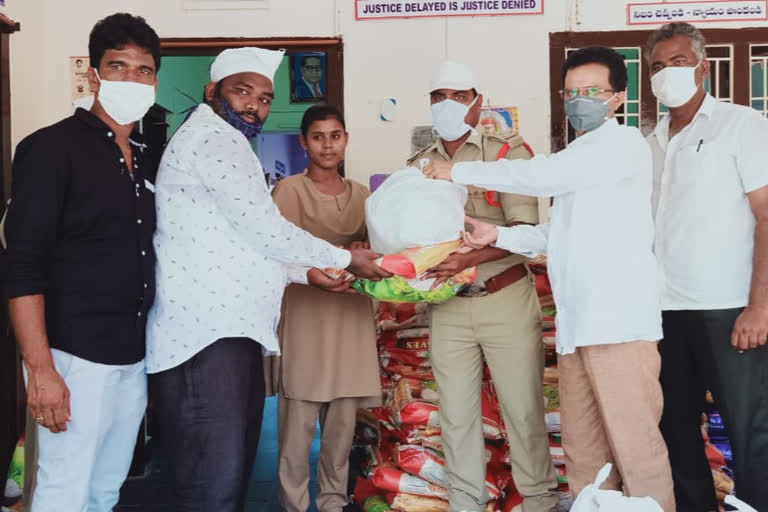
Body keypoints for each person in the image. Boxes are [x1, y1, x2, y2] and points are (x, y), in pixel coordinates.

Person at [424, 47, 675, 511]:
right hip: (578, 326)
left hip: (618, 324)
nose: (580, 101)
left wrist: (455, 169)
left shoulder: (620, 146)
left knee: (636, 449)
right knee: (584, 454)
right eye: (571, 92)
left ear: (618, 98)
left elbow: (542, 175)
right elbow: (556, 233)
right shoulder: (581, 154)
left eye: (592, 91)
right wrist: (496, 232)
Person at [146, 47, 389, 511]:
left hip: (224, 331)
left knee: (223, 474)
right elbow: (266, 230)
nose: (254, 105)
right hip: (207, 334)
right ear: (211, 91)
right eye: (242, 92)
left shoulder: (224, 141)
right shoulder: (215, 141)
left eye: (263, 97)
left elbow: (248, 242)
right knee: (211, 481)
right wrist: (343, 258)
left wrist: (307, 271)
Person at [4, 13, 160, 511]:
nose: (131, 79)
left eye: (143, 70)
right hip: (73, 356)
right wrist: (42, 370)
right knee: (63, 489)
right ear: (93, 74)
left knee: (105, 488)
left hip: (132, 356)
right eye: (118, 66)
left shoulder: (146, 153)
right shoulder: (51, 149)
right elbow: (22, 264)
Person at [408, 60, 560, 512]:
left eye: (458, 96)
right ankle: (465, 503)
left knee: (524, 412)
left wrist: (469, 257)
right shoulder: (419, 164)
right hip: (448, 306)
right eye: (439, 97)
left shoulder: (506, 153)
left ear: (477, 102)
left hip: (505, 299)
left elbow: (524, 231)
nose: (448, 105)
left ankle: (539, 501)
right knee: (455, 418)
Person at [646, 22, 768, 511]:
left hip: (729, 310)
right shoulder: (649, 141)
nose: (667, 74)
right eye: (657, 67)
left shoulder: (742, 126)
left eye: (677, 62)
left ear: (702, 66)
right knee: (674, 429)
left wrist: (759, 306)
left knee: (750, 429)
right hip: (662, 312)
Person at [272, 105, 381, 512]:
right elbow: (278, 251)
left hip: (350, 318)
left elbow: (375, 254)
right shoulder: (288, 192)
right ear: (304, 143)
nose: (327, 145)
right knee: (296, 431)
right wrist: (331, 260)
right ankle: (294, 504)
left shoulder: (362, 197)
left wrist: (360, 251)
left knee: (341, 430)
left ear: (346, 140)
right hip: (305, 317)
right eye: (318, 136)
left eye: (335, 135)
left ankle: (333, 503)